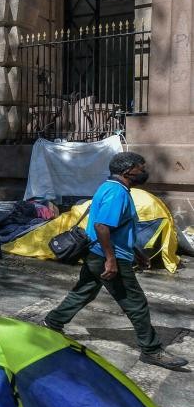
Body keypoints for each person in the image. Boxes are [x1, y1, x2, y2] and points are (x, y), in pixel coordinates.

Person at [44, 152, 188, 371]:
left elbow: (120, 228)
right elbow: (102, 226)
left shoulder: (112, 187)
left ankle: (53, 321)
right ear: (127, 171)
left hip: (98, 254)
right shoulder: (116, 192)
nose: (144, 171)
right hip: (108, 257)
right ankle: (151, 350)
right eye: (141, 168)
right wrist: (111, 260)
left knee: (84, 291)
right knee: (136, 304)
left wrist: (137, 252)